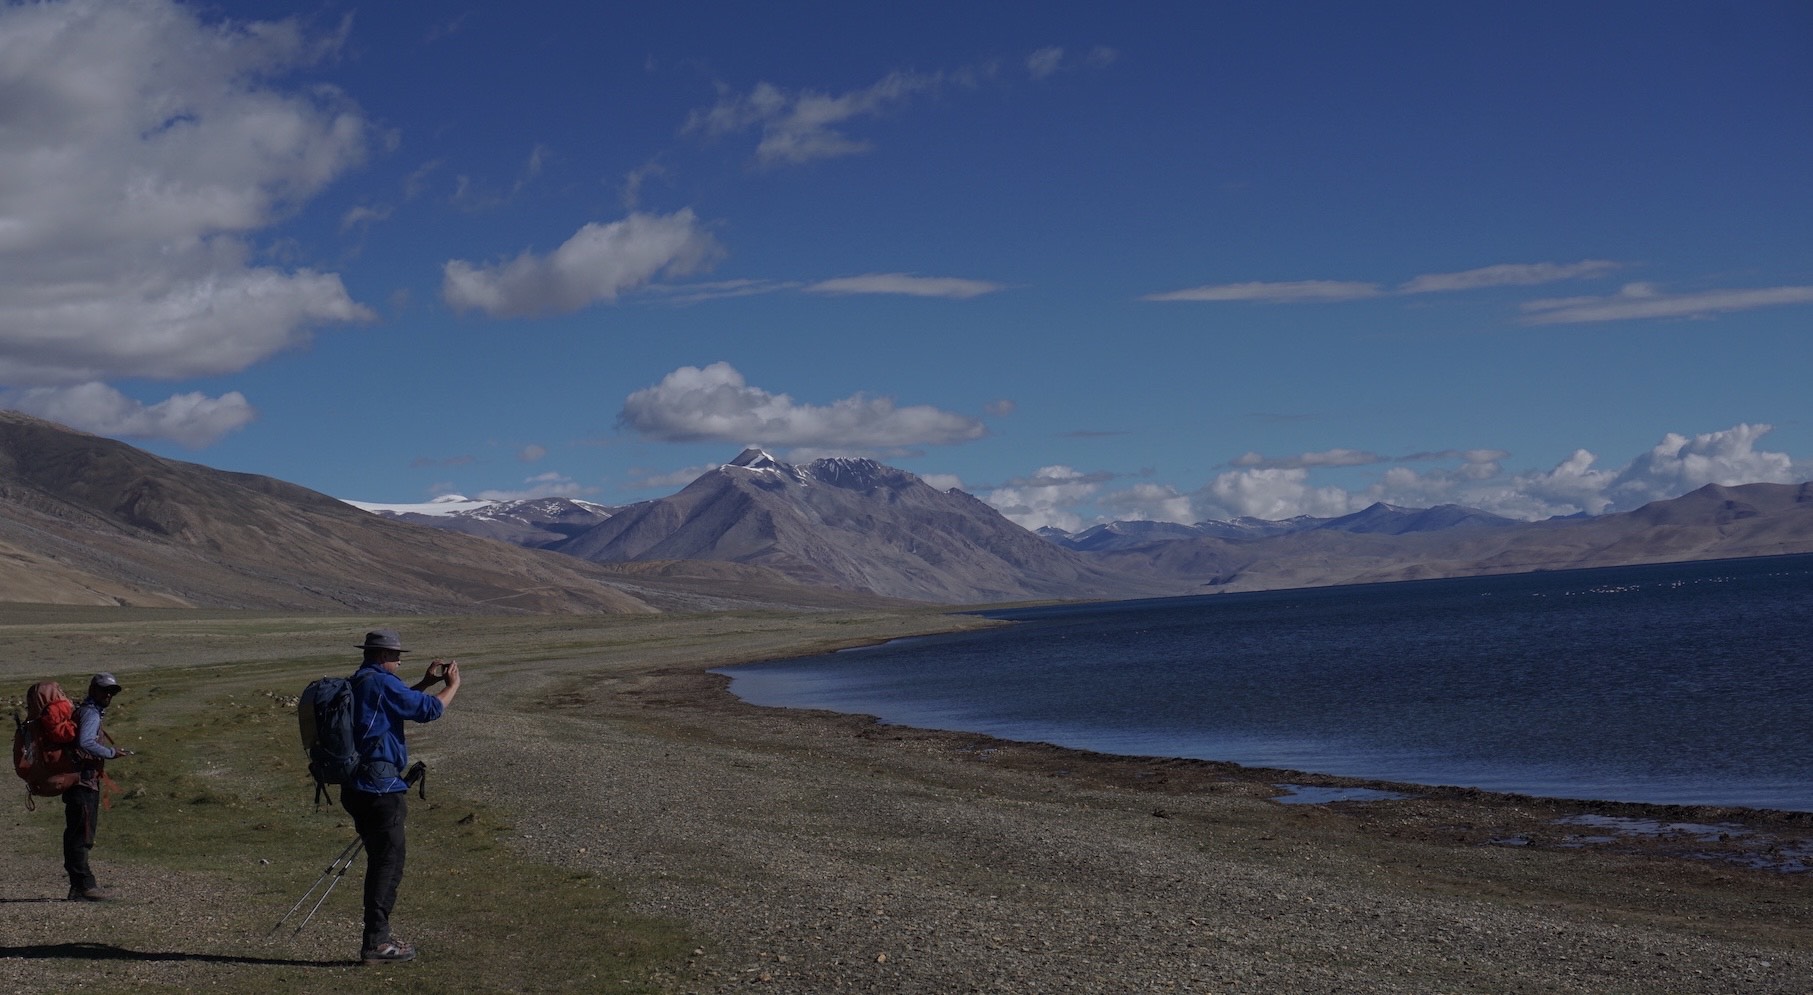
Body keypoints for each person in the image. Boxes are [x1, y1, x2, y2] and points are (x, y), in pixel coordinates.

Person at [341, 628, 460, 965]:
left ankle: (377, 939)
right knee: (387, 864)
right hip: (379, 790)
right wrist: (452, 687)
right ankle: (376, 943)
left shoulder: (361, 681)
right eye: (395, 657)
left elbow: (399, 704)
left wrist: (424, 684)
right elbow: (428, 712)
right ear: (382, 656)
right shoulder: (381, 682)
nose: (397, 662)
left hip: (356, 786)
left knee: (383, 859)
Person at [66, 672, 132, 901]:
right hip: (82, 781)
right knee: (82, 834)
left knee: (77, 831)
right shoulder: (90, 713)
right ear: (92, 690)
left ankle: (79, 886)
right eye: (104, 690)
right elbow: (85, 742)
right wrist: (111, 753)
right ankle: (84, 886)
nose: (108, 695)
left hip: (80, 780)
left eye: (112, 692)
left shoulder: (87, 711)